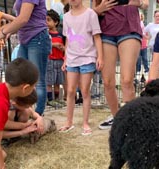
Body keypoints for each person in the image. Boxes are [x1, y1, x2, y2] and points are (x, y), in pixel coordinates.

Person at [93, 0, 149, 130]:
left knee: (127, 80)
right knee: (107, 82)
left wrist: (139, 3)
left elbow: (145, 3)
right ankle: (117, 118)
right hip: (107, 30)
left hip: (129, 28)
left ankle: (131, 122)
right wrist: (98, 10)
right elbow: (96, 8)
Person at [0, 0, 51, 116]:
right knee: (19, 77)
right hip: (25, 39)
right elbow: (22, 20)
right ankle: (22, 111)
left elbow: (23, 18)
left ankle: (38, 114)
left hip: (37, 37)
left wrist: (4, 31)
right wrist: (11, 30)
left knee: (37, 80)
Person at [59, 0, 103, 135]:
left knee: (84, 90)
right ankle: (69, 122)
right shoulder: (66, 16)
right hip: (72, 59)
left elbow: (97, 37)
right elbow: (67, 40)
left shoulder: (91, 14)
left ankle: (85, 122)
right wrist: (65, 58)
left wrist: (100, 57)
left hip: (87, 58)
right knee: (70, 90)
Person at [45, 9, 66, 108]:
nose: (46, 22)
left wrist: (63, 48)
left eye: (48, 20)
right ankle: (50, 99)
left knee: (58, 81)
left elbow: (66, 45)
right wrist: (54, 45)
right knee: (49, 81)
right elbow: (45, 44)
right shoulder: (45, 34)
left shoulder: (61, 34)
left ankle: (57, 99)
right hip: (50, 60)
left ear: (56, 22)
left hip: (60, 60)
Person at [135, 12, 149, 81]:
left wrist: (147, 39)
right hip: (138, 45)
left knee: (145, 59)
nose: (139, 17)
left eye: (140, 16)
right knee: (138, 60)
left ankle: (146, 72)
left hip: (143, 44)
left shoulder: (143, 24)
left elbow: (144, 33)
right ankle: (138, 72)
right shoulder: (136, 24)